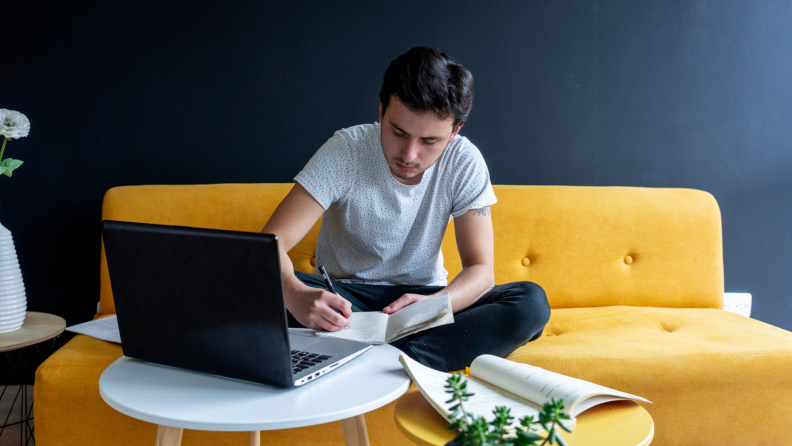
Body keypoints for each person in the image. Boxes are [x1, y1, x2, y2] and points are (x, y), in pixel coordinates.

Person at [262, 47, 550, 371]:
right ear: (382, 109)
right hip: (347, 301)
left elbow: (481, 272)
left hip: (427, 303)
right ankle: (406, 357)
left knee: (530, 303)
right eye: (398, 132)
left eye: (429, 141)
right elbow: (269, 245)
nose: (409, 155)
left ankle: (392, 363)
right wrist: (295, 294)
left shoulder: (464, 161)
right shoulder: (347, 150)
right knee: (252, 288)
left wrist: (436, 306)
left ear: (455, 131)